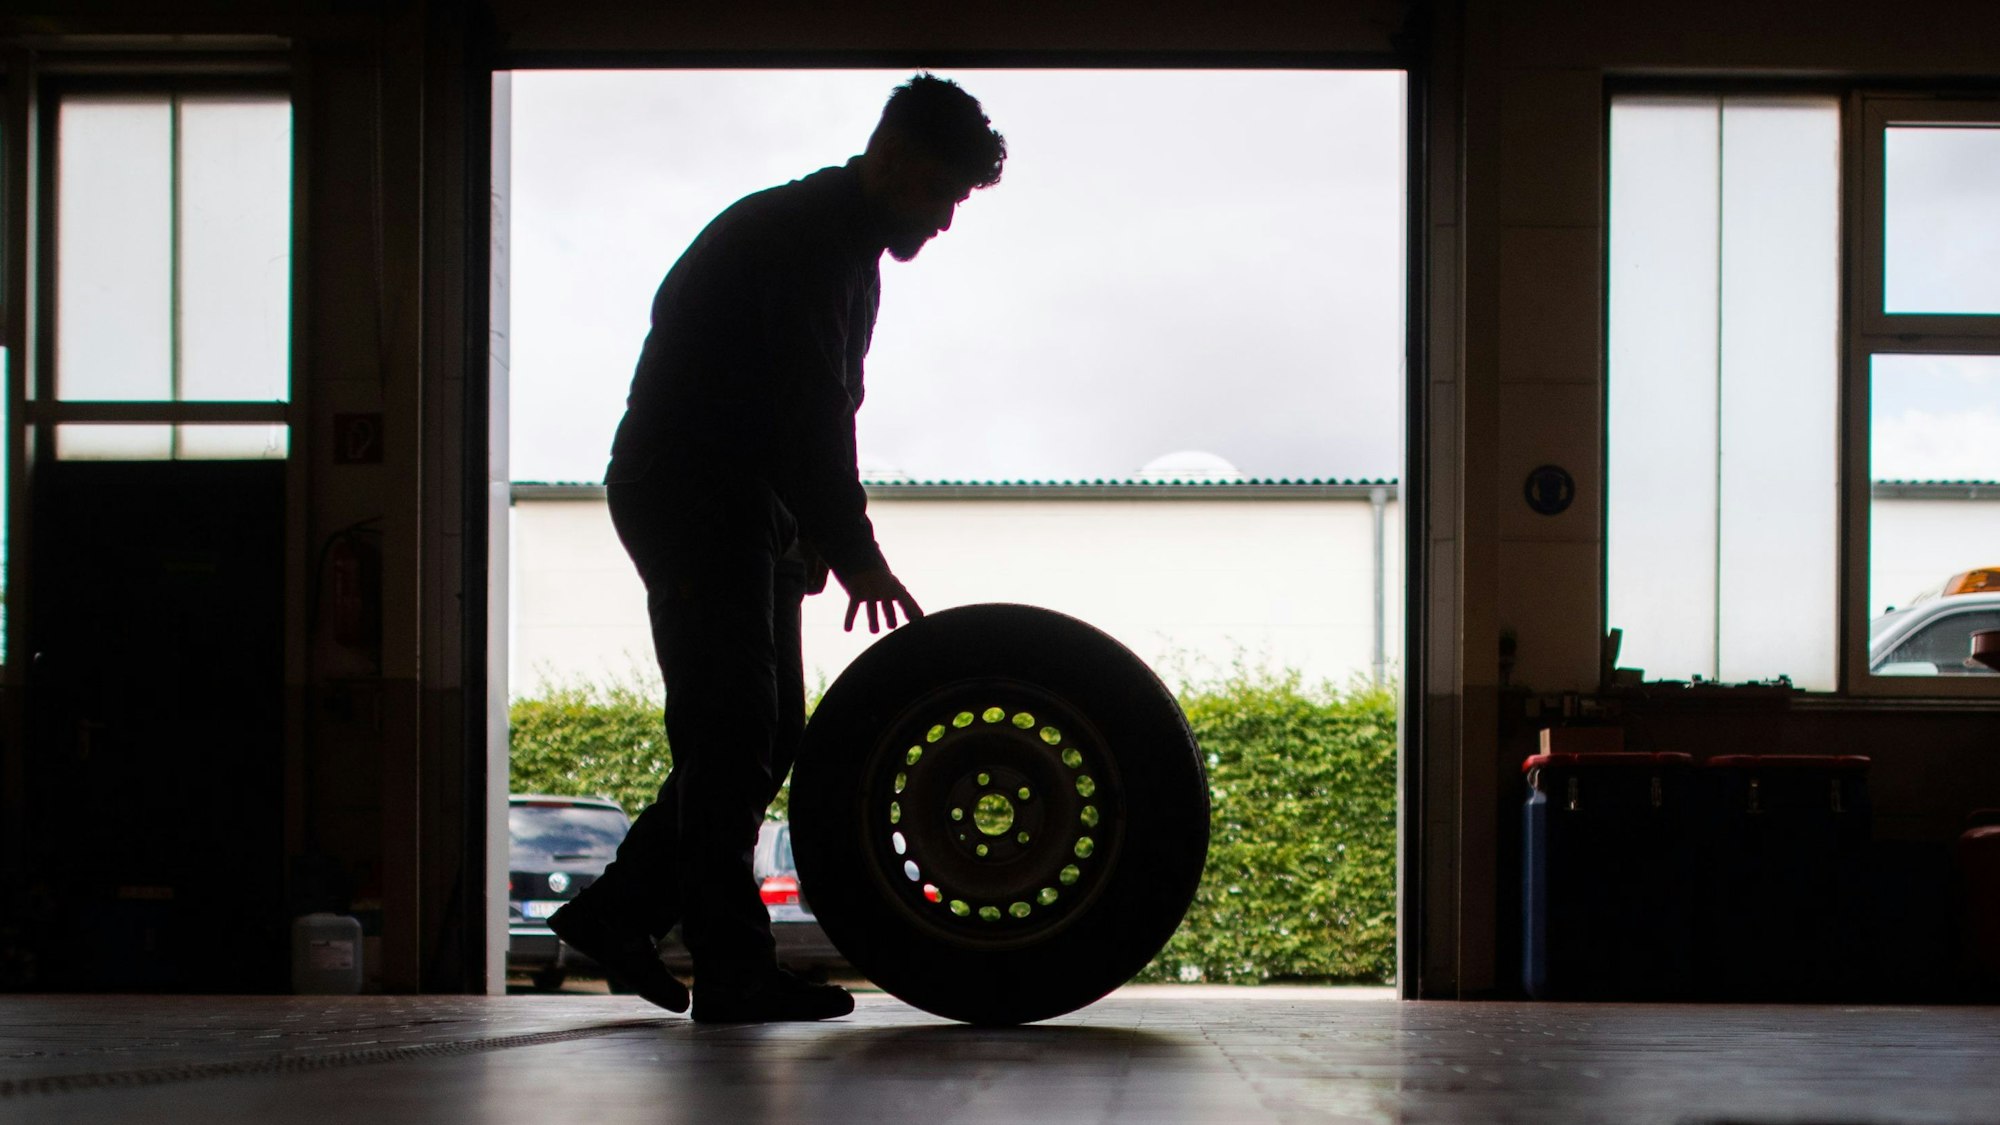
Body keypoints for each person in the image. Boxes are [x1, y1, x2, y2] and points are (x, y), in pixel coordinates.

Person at [549, 74, 1006, 1023]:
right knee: (728, 733)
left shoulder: (848, 252)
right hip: (693, 494)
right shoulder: (799, 238)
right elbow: (807, 409)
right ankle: (731, 970)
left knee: (769, 730)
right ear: (893, 158)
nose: (947, 220)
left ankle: (617, 913)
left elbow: (816, 412)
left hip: (754, 508)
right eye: (943, 193)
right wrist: (856, 545)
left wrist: (817, 535)